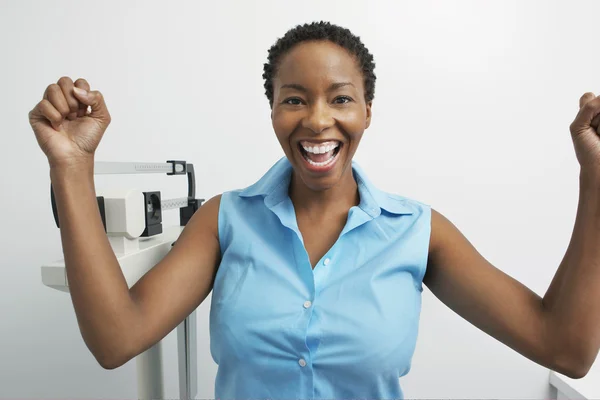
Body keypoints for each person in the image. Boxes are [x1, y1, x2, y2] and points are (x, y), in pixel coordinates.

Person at [28, 21, 600, 399]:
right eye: (294, 99)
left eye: (341, 98)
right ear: (273, 110)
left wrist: (595, 181)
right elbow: (115, 339)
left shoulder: (418, 233)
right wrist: (72, 166)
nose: (317, 120)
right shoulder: (225, 220)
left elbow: (565, 349)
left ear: (368, 112)